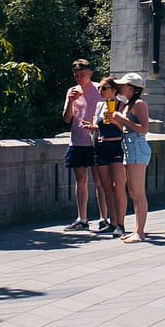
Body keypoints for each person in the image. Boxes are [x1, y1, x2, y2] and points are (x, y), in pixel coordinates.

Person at [63, 59, 103, 230]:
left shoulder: (99, 90)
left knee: (100, 181)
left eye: (82, 74)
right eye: (76, 75)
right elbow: (66, 119)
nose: (79, 78)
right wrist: (71, 101)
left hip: (96, 140)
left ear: (90, 73)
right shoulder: (71, 91)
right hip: (77, 141)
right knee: (81, 180)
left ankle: (104, 218)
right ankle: (82, 218)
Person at [116, 73, 154, 242]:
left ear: (132, 88)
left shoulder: (139, 104)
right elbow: (125, 128)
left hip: (137, 146)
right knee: (133, 191)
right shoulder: (126, 104)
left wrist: (122, 119)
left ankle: (140, 232)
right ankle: (137, 230)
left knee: (138, 192)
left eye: (123, 85)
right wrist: (116, 120)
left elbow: (144, 129)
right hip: (129, 146)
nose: (120, 88)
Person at [90, 75, 128, 237]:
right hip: (101, 147)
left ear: (113, 90)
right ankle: (112, 222)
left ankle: (121, 223)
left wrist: (115, 120)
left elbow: (126, 128)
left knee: (118, 187)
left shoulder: (122, 105)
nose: (100, 91)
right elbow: (97, 124)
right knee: (106, 188)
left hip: (116, 146)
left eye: (104, 88)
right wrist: (90, 126)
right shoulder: (99, 105)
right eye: (99, 88)